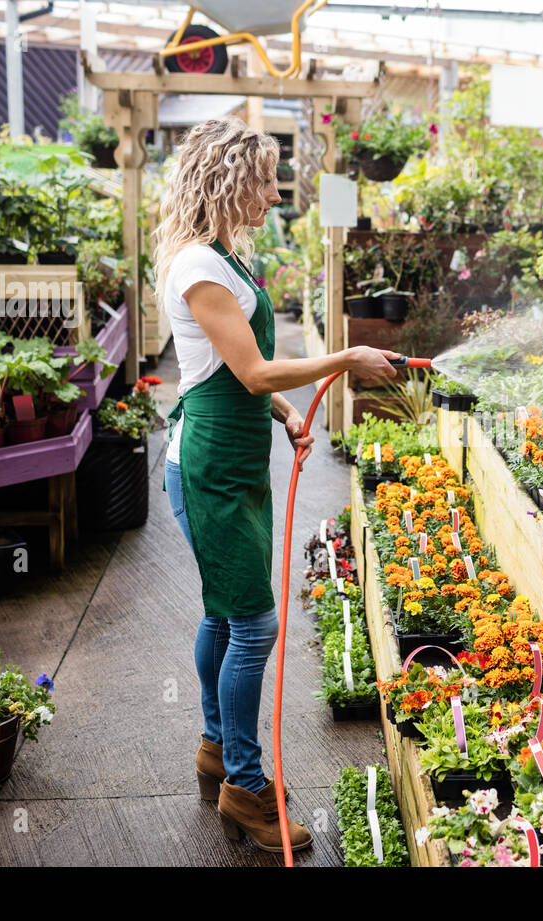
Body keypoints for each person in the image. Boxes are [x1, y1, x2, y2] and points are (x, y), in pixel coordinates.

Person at [154, 117, 399, 858]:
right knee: (253, 626)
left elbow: (234, 367)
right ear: (227, 179)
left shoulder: (225, 256)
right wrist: (342, 358)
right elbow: (254, 372)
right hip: (208, 471)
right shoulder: (198, 265)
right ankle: (247, 788)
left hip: (231, 461)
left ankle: (214, 751)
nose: (273, 193)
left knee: (227, 619)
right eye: (263, 179)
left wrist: (287, 410)